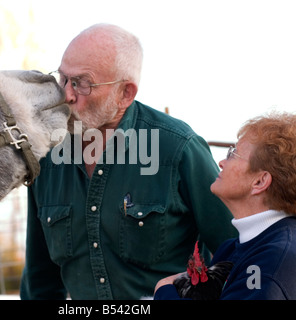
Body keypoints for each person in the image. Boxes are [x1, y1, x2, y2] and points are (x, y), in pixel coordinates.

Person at [20, 23, 237, 300]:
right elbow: (40, 280)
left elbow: (236, 256)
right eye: (62, 78)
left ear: (126, 93)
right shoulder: (47, 155)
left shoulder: (178, 149)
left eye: (82, 83)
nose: (67, 94)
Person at [154, 112, 296, 300]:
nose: (222, 162)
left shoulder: (272, 264)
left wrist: (163, 290)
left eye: (233, 154)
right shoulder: (240, 248)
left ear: (260, 181)